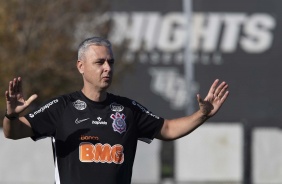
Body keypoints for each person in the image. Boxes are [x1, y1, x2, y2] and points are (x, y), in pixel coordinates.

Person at [3, 36, 229, 184]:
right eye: (99, 62)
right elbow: (12, 132)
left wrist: (202, 114)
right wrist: (12, 115)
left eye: (111, 62)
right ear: (81, 66)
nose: (107, 68)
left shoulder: (127, 110)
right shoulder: (62, 107)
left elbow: (168, 129)